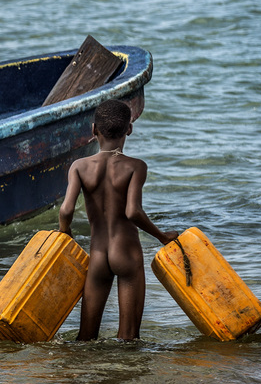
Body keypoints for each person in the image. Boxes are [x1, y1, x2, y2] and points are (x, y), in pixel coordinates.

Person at [58, 99, 178, 341]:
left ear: (94, 129)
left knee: (85, 338)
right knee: (129, 339)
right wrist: (162, 236)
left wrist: (65, 231)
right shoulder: (135, 167)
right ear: (129, 129)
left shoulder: (79, 167)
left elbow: (66, 209)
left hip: (98, 255)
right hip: (126, 254)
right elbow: (132, 212)